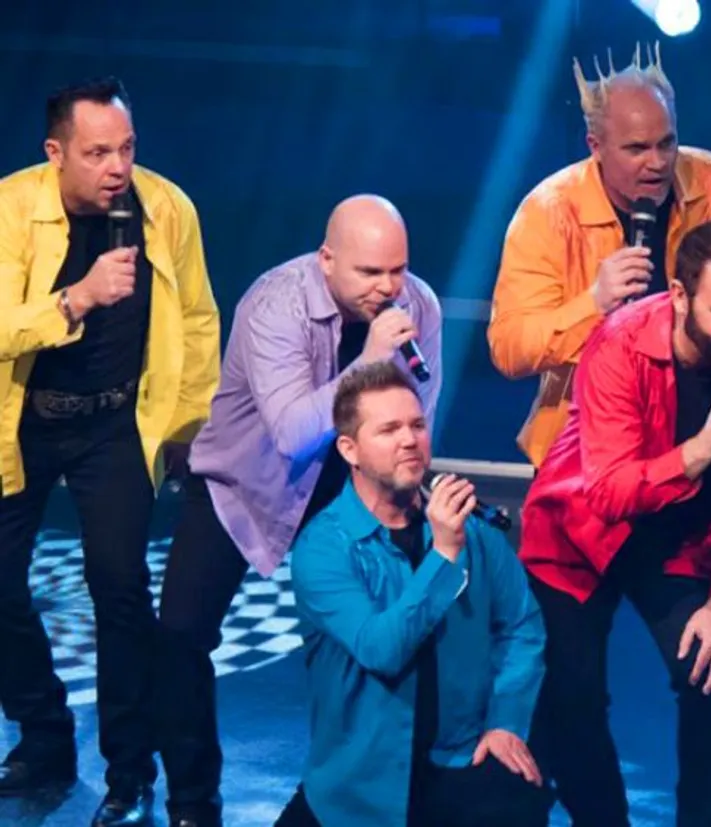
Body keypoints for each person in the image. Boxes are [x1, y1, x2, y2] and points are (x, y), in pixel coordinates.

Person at [154, 195, 443, 826]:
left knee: (381, 643)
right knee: (179, 637)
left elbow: (416, 421)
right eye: (370, 273)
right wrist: (369, 359)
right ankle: (191, 805)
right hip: (244, 486)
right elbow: (291, 434)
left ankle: (345, 800)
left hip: (351, 492)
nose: (389, 287)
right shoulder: (275, 303)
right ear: (327, 260)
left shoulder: (418, 305)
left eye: (397, 269)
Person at [520, 218, 711, 827]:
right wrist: (704, 446)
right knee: (573, 702)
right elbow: (612, 491)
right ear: (679, 296)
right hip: (579, 536)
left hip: (676, 542)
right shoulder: (619, 345)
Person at [0, 77, 219, 826]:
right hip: (20, 420)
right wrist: (76, 298)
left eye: (125, 148)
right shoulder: (9, 209)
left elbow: (196, 320)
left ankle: (130, 772)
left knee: (120, 591)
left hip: (116, 425)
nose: (116, 167)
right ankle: (43, 733)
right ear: (55, 153)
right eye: (96, 153)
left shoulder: (166, 208)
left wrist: (190, 427)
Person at [488, 42, 711, 469]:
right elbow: (509, 348)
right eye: (636, 149)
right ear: (595, 145)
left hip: (706, 434)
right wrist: (593, 304)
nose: (657, 163)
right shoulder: (548, 212)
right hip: (587, 451)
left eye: (667, 144)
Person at [281, 359, 550, 827]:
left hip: (461, 756)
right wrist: (444, 554)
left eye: (417, 425)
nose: (409, 439)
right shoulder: (324, 549)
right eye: (388, 430)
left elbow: (522, 625)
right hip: (360, 780)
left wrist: (506, 719)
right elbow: (380, 649)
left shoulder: (476, 532)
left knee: (520, 799)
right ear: (350, 449)